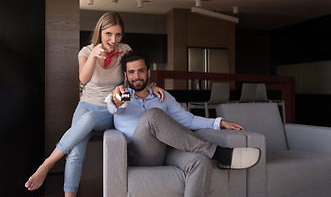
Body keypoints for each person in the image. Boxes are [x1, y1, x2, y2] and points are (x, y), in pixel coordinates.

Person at [25, 12, 165, 196]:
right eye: (108, 34)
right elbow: (83, 79)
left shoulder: (125, 50)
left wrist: (151, 85)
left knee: (90, 118)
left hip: (112, 107)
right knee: (75, 153)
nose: (113, 39)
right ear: (100, 32)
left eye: (118, 34)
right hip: (85, 105)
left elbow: (134, 75)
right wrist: (92, 56)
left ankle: (48, 163)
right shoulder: (85, 51)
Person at [105, 51, 261, 197]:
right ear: (125, 75)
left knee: (200, 161)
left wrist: (219, 122)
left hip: (167, 150)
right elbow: (112, 105)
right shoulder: (121, 95)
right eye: (131, 72)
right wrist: (117, 101)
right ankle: (219, 153)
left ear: (148, 73)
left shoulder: (162, 96)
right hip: (141, 154)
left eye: (141, 71)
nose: (136, 76)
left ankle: (211, 154)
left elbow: (188, 120)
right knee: (153, 115)